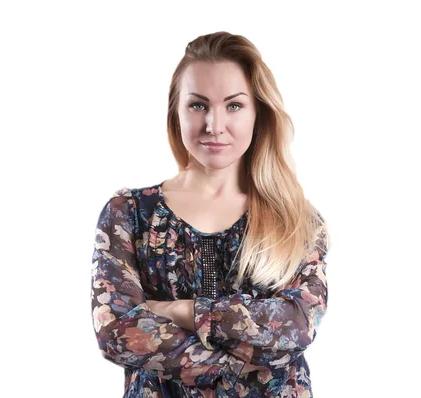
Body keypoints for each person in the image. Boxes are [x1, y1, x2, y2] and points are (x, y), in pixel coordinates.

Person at [90, 31, 331, 397]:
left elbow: (296, 325)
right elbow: (118, 333)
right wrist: (252, 360)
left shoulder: (297, 220)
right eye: (198, 105)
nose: (214, 125)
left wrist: (184, 311)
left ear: (257, 113)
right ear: (176, 111)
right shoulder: (129, 214)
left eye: (233, 105)